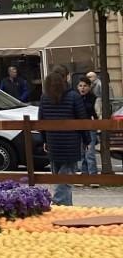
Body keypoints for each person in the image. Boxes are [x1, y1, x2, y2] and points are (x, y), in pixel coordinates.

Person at [38, 66, 89, 202]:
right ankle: (59, 205)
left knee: (60, 179)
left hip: (53, 142)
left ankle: (66, 208)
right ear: (66, 77)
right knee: (66, 181)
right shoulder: (74, 96)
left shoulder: (44, 97)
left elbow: (41, 121)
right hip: (70, 143)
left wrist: (44, 140)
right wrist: (87, 140)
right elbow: (82, 121)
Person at [77, 71, 100, 175]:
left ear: (89, 87)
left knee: (90, 153)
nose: (82, 88)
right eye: (80, 86)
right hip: (78, 128)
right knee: (81, 153)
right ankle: (84, 175)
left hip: (90, 128)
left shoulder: (94, 98)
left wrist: (97, 127)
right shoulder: (76, 99)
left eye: (85, 86)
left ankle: (93, 176)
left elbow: (98, 114)